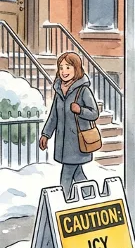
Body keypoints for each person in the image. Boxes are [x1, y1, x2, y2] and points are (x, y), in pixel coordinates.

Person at [40, 52, 99, 199]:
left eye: (68, 67)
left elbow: (94, 113)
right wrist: (46, 134)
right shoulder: (59, 91)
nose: (64, 71)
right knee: (78, 174)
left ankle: (62, 202)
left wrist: (80, 110)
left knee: (66, 175)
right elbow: (54, 115)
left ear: (76, 69)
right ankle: (91, 198)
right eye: (61, 67)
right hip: (63, 143)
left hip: (78, 142)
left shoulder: (83, 90)